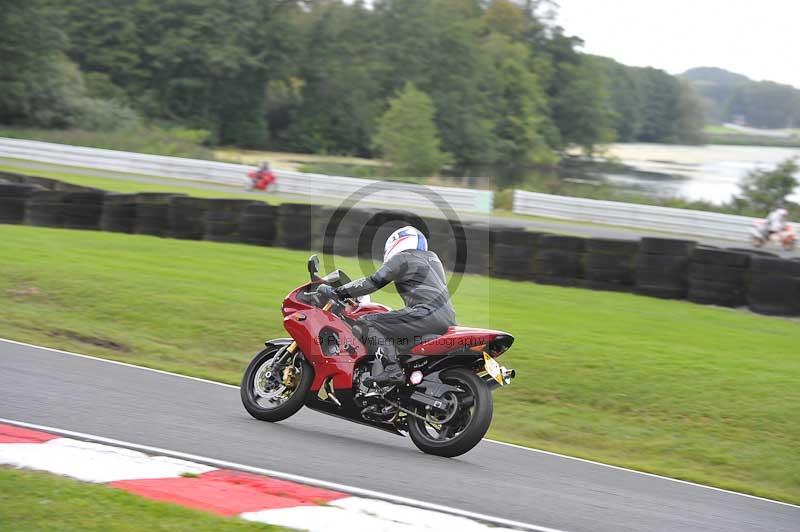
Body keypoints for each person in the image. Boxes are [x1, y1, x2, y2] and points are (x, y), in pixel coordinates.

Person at [319, 226, 456, 385]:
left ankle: (392, 370)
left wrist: (339, 292)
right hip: (447, 320)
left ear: (397, 242)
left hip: (424, 315)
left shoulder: (403, 257)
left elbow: (374, 281)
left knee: (365, 323)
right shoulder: (433, 259)